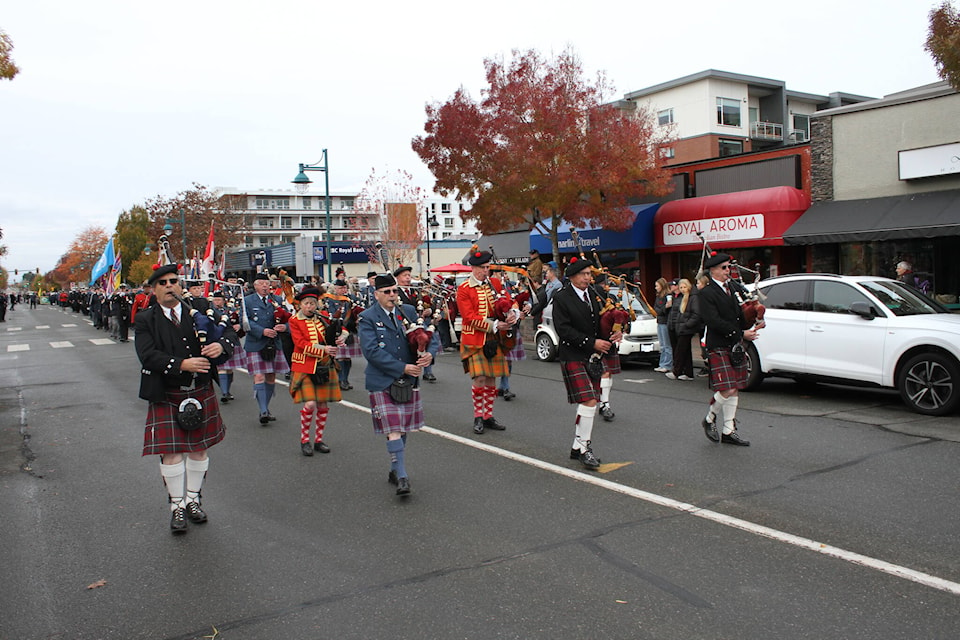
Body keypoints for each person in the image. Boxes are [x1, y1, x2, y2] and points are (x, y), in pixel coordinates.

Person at [134, 264, 238, 534]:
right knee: (171, 453)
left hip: (200, 390)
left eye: (174, 281)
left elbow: (228, 332)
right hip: (167, 392)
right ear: (154, 290)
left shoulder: (199, 310)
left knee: (199, 449)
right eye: (163, 283)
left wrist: (221, 346)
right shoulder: (146, 319)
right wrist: (183, 364)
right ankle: (176, 506)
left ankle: (193, 499)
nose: (170, 286)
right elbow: (148, 355)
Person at [358, 273, 432, 496]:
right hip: (383, 379)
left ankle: (394, 468)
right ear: (376, 294)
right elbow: (371, 351)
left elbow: (429, 337)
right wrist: (401, 368)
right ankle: (402, 476)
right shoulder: (367, 317)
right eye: (387, 292)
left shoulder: (408, 312)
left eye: (394, 291)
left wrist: (428, 355)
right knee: (393, 429)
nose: (392, 295)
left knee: (402, 428)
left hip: (408, 380)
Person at [552, 257, 616, 470]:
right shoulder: (562, 298)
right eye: (584, 274)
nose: (588, 278)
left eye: (590, 274)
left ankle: (576, 446)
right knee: (589, 400)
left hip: (593, 356)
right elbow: (563, 330)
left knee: (591, 402)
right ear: (572, 277)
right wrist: (592, 342)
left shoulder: (595, 294)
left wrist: (616, 333)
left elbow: (605, 321)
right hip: (573, 354)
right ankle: (584, 448)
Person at [698, 253, 763, 447]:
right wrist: (741, 333)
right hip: (718, 343)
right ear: (714, 270)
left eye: (729, 267)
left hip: (734, 344)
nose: (729, 271)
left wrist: (756, 317)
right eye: (725, 268)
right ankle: (709, 419)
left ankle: (728, 431)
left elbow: (741, 315)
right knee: (728, 388)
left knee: (735, 388)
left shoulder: (733, 288)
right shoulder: (706, 293)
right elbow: (713, 321)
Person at [456, 250, 517, 434]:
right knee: (480, 377)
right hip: (475, 338)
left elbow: (507, 301)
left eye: (488, 267)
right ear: (473, 268)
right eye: (482, 268)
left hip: (495, 338)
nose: (486, 271)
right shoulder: (464, 288)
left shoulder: (495, 283)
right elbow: (469, 317)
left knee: (492, 377)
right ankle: (478, 416)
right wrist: (496, 324)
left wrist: (512, 313)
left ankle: (488, 415)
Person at [289, 286, 341, 456]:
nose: (309, 307)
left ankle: (318, 440)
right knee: (310, 403)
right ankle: (305, 440)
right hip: (305, 366)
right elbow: (301, 344)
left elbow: (340, 330)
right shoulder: (294, 321)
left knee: (323, 404)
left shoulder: (323, 317)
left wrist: (341, 337)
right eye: (306, 303)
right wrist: (324, 349)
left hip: (325, 366)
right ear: (300, 305)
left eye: (312, 303)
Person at [243, 273, 290, 424]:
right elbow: (244, 321)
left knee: (271, 377)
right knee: (259, 376)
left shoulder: (277, 300)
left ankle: (266, 407)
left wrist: (285, 327)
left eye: (266, 283)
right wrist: (261, 331)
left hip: (273, 343)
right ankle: (263, 410)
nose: (265, 286)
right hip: (256, 343)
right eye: (261, 283)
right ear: (255, 285)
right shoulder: (247, 301)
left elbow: (291, 319)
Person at [326, 278, 362, 390]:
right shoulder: (330, 300)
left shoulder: (352, 299)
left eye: (345, 287)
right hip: (337, 330)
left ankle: (345, 379)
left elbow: (359, 310)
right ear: (335, 289)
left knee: (347, 357)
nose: (343, 290)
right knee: (340, 357)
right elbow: (331, 315)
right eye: (341, 288)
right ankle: (340, 380)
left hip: (350, 330)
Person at [211, 290, 245, 403]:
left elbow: (241, 320)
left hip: (232, 340)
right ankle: (224, 392)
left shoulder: (231, 311)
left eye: (219, 300)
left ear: (223, 301)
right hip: (218, 342)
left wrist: (239, 326)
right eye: (215, 300)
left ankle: (227, 390)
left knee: (229, 368)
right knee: (221, 367)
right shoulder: (210, 312)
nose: (216, 302)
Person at [671, 278, 700, 381]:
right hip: (682, 327)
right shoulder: (684, 298)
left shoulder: (693, 298)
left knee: (680, 351)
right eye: (681, 287)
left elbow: (696, 314)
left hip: (687, 328)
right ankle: (688, 373)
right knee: (686, 351)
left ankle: (676, 371)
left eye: (684, 287)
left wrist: (686, 325)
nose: (683, 289)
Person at [652, 278, 673, 373]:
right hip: (659, 321)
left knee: (667, 345)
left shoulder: (667, 295)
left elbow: (666, 308)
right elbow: (655, 308)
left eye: (657, 286)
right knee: (662, 345)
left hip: (665, 322)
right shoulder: (658, 296)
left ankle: (667, 364)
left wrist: (662, 309)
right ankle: (662, 363)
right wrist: (661, 309)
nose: (656, 288)